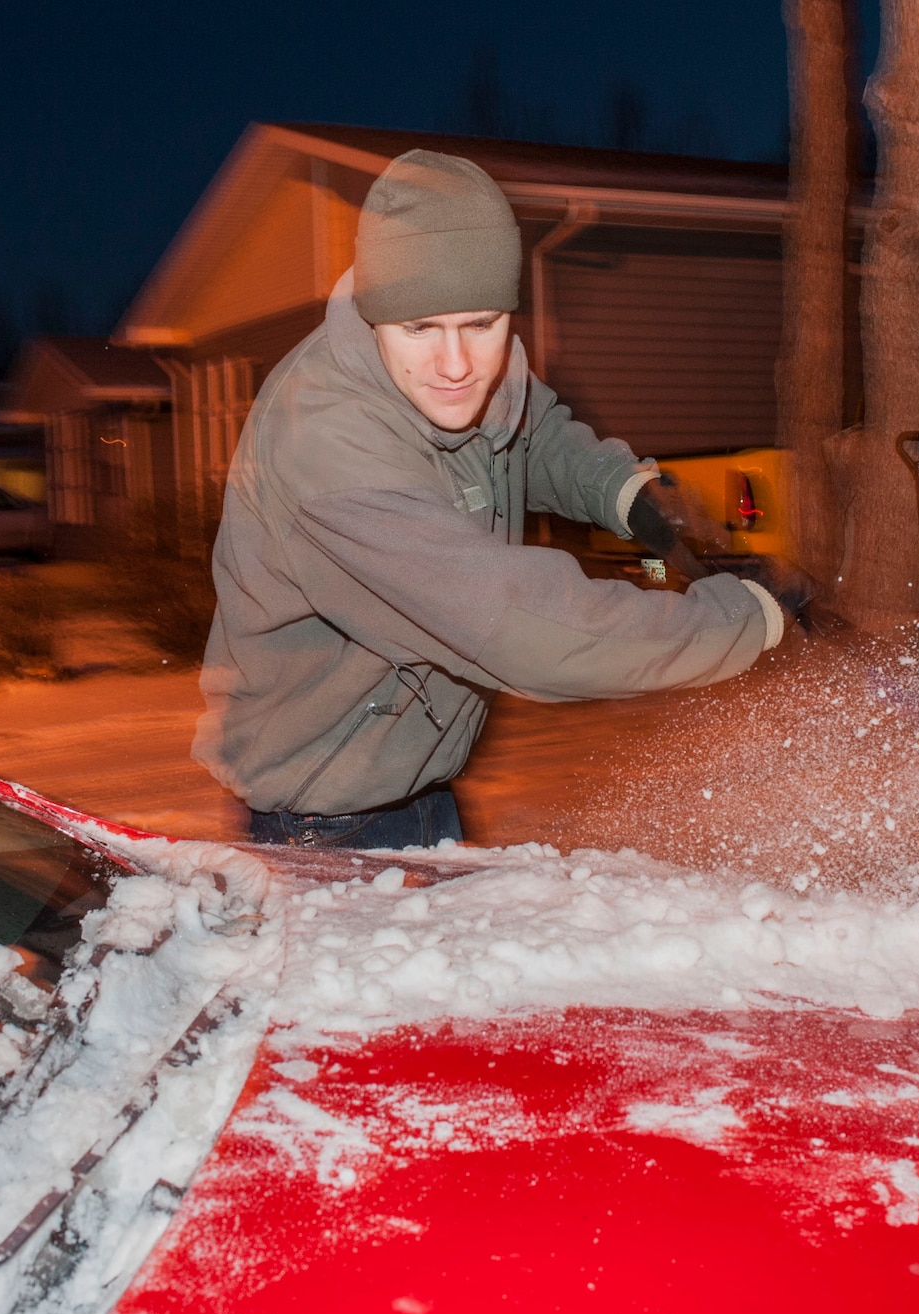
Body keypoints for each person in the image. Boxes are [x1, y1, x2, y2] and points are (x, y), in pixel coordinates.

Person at [194, 149, 810, 851]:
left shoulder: (474, 367)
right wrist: (743, 621)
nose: (457, 365)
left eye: (481, 324)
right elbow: (525, 628)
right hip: (320, 825)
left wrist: (624, 492)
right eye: (420, 328)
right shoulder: (328, 449)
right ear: (375, 314)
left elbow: (532, 429)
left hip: (425, 786)